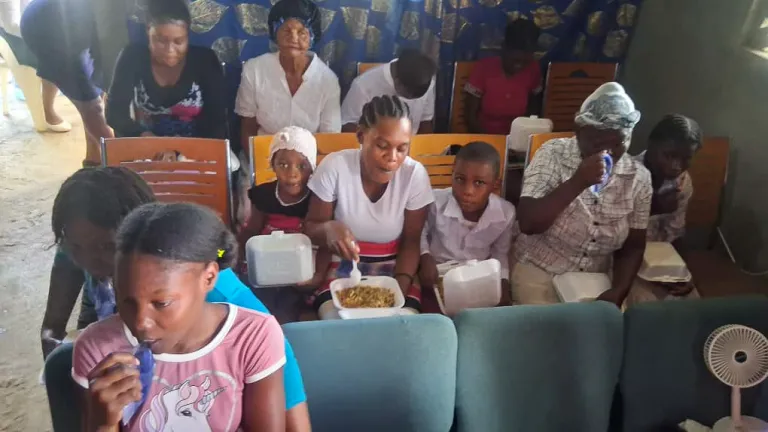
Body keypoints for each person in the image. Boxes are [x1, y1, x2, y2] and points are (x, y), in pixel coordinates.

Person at [42, 167, 310, 432]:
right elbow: (60, 319)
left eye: (104, 247)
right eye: (76, 247)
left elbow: (280, 375)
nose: (89, 262)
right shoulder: (103, 316)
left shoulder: (212, 293)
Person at [72, 202, 286, 431]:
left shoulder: (252, 336)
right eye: (127, 301)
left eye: (161, 303)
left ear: (209, 278)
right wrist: (103, 423)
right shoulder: (97, 349)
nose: (141, 323)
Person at [512, 82, 652, 306]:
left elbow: (633, 245)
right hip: (541, 269)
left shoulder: (640, 178)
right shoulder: (553, 154)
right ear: (578, 133)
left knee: (600, 333)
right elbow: (528, 223)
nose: (607, 153)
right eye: (597, 144)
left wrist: (619, 291)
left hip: (594, 277)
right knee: (547, 335)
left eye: (618, 143)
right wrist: (577, 182)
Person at [304, 95, 434, 319]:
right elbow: (310, 229)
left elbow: (412, 241)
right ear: (361, 136)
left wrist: (397, 292)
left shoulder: (414, 175)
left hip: (396, 268)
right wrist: (328, 228)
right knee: (339, 325)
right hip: (341, 266)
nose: (392, 158)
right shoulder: (335, 167)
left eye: (402, 149)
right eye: (382, 146)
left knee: (403, 326)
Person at [237, 126, 330, 322]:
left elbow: (325, 243)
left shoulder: (318, 199)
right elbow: (250, 230)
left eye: (301, 166)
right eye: (283, 165)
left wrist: (318, 276)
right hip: (267, 265)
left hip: (301, 272)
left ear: (312, 167)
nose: (292, 174)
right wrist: (228, 257)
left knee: (288, 311)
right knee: (258, 307)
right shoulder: (263, 195)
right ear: (272, 164)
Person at [106, 0, 226, 141]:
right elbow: (115, 113)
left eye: (178, 41)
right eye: (161, 40)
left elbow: (216, 120)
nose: (170, 50)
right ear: (148, 30)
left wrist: (182, 152)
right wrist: (144, 137)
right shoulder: (132, 57)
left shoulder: (205, 61)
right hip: (147, 147)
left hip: (196, 149)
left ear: (188, 35)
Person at [235, 0, 340, 155]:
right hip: (264, 157)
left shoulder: (328, 81)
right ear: (274, 32)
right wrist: (259, 167)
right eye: (286, 31)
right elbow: (248, 127)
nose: (293, 38)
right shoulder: (255, 69)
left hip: (310, 162)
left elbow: (329, 139)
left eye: (302, 32)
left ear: (312, 37)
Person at [419, 142, 515, 306]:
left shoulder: (505, 214)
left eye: (479, 183)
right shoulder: (434, 202)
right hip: (437, 275)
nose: (467, 191)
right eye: (460, 179)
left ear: (495, 185)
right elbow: (420, 232)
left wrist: (503, 286)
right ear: (452, 174)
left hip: (477, 277)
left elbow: (501, 254)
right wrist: (425, 256)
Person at [21, 0, 114, 166]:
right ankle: (124, 167)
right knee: (93, 106)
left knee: (96, 91)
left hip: (76, 20)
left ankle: (93, 159)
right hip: (54, 28)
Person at [627, 114, 703, 303]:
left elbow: (676, 233)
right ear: (651, 145)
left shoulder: (683, 184)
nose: (676, 166)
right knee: (645, 305)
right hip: (623, 258)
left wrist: (683, 272)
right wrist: (654, 208)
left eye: (686, 159)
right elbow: (608, 234)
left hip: (659, 258)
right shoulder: (626, 175)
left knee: (692, 303)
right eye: (669, 156)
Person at [0, 0, 71, 132]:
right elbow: (12, 24)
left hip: (34, 25)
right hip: (13, 34)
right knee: (54, 53)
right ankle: (47, 110)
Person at [464, 18, 542, 135]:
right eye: (515, 60)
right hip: (485, 138)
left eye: (525, 62)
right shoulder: (484, 68)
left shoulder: (533, 69)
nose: (519, 66)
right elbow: (470, 118)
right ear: (504, 49)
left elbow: (533, 112)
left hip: (519, 140)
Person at [341, 48, 436, 134]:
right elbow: (347, 125)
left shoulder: (426, 80)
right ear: (398, 83)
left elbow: (425, 121)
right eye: (408, 97)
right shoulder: (363, 85)